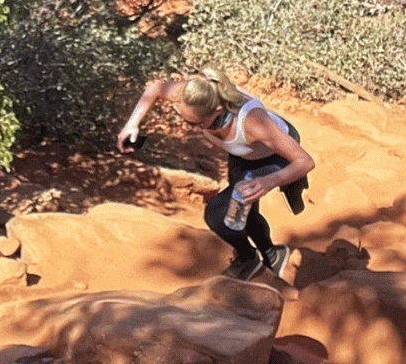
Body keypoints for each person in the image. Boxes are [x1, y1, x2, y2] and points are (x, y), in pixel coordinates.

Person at [118, 68, 315, 283]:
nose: (188, 126)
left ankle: (251, 259)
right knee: (242, 211)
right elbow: (155, 88)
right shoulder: (193, 95)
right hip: (244, 153)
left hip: (276, 154)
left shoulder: (252, 122)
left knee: (218, 213)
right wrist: (132, 124)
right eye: (183, 118)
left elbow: (304, 161)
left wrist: (268, 181)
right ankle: (270, 255)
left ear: (217, 110)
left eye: (194, 123)